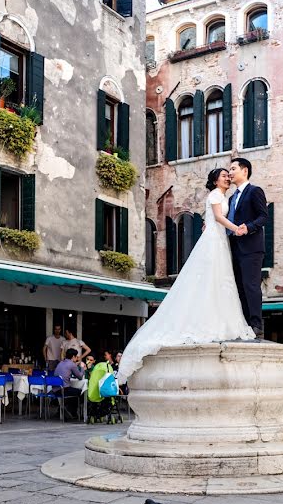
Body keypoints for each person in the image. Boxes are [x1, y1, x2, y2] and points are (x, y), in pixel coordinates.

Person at [116, 168, 255, 384]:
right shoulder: (216, 195)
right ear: (215, 180)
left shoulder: (223, 195)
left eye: (230, 174)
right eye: (224, 175)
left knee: (220, 281)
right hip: (214, 240)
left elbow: (212, 218)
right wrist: (237, 229)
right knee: (212, 278)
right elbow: (218, 217)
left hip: (217, 239)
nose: (228, 177)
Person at [227, 157, 270, 338]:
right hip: (234, 248)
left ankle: (256, 325)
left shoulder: (254, 191)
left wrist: (249, 227)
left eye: (233, 168)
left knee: (251, 285)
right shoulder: (231, 198)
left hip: (251, 248)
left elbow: (264, 216)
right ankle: (244, 323)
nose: (230, 172)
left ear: (245, 171)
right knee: (239, 287)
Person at [53, 348, 85, 421]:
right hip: (63, 390)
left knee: (74, 393)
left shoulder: (61, 363)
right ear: (73, 357)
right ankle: (71, 410)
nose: (77, 358)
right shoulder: (72, 364)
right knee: (82, 393)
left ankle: (67, 407)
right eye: (76, 357)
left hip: (56, 389)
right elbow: (80, 377)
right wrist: (82, 368)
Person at [87, 350, 115, 422]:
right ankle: (102, 413)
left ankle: (95, 414)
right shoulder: (106, 368)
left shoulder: (95, 369)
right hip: (106, 390)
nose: (89, 361)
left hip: (96, 391)